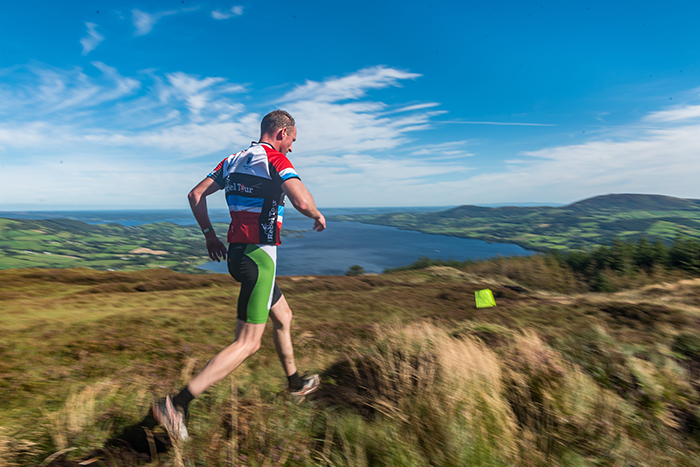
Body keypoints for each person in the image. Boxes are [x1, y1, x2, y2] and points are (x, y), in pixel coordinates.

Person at [152, 110, 326, 441]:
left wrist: (209, 234)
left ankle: (295, 383)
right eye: (292, 140)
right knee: (247, 343)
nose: (292, 148)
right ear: (282, 132)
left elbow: (195, 194)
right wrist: (316, 214)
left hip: (236, 253)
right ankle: (176, 406)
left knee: (284, 316)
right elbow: (302, 200)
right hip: (259, 258)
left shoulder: (231, 160)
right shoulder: (274, 159)